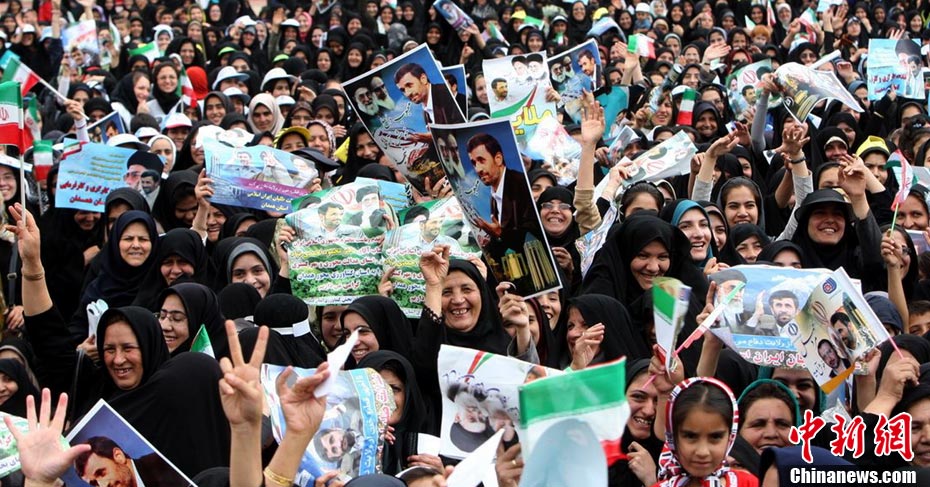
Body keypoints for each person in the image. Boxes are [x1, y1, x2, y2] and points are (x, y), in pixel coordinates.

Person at [464, 132, 541, 253]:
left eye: (481, 160)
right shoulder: (494, 194)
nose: (478, 169)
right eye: (474, 163)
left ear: (498, 159)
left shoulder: (522, 185)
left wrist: (500, 233)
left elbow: (533, 236)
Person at [75, 436, 188, 487]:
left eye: (101, 473)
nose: (103, 485)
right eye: (95, 484)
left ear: (118, 456)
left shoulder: (164, 464)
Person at [393, 63, 464, 126]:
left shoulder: (445, 93)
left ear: (423, 79)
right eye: (403, 90)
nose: (407, 94)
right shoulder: (425, 111)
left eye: (409, 85)